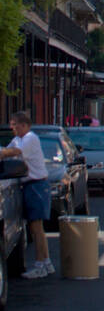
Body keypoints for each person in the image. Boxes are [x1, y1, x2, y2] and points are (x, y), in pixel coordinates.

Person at [0, 110, 54, 279]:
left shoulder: (30, 138)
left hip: (37, 185)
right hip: (30, 186)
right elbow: (7, 150)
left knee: (36, 228)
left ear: (24, 125)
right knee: (35, 228)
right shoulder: (18, 139)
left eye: (14, 125)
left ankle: (40, 265)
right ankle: (47, 263)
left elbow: (13, 153)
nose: (12, 128)